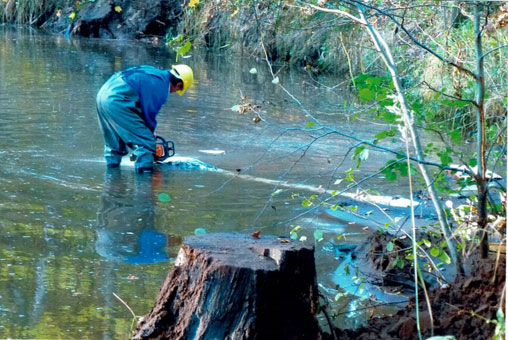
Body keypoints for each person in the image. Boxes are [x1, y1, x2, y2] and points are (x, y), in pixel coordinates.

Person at [96, 64, 194, 173]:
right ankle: (144, 183)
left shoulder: (153, 72)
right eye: (176, 90)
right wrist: (150, 134)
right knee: (146, 144)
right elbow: (149, 112)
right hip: (117, 101)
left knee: (114, 145)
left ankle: (113, 182)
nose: (173, 92)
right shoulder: (161, 87)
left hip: (103, 94)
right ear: (179, 84)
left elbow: (140, 105)